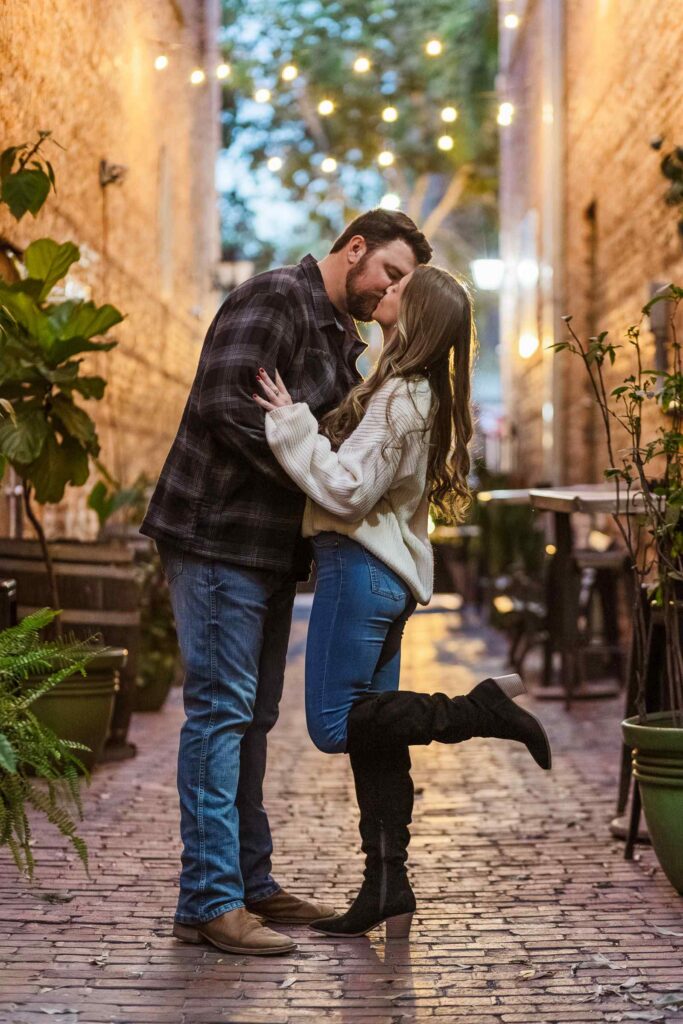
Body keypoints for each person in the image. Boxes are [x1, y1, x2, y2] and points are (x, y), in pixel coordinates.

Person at [139, 209, 432, 956]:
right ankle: (208, 901)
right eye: (389, 273)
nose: (389, 289)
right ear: (354, 248)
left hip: (267, 553)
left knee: (254, 717)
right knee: (221, 714)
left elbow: (327, 444)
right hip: (215, 539)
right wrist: (312, 477)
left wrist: (318, 463)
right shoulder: (275, 296)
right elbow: (224, 403)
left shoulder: (343, 339)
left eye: (403, 283)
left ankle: (249, 882)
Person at [253, 265, 552, 941]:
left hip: (359, 571)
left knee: (335, 724)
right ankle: (386, 881)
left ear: (413, 315)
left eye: (398, 288)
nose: (384, 289)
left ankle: (478, 709)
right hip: (383, 578)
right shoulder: (411, 390)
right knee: (373, 733)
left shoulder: (401, 396)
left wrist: (289, 424)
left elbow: (349, 490)